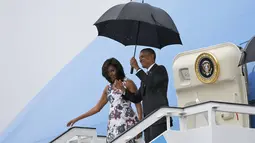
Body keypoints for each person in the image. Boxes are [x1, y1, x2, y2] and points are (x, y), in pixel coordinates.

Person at [66, 58, 143, 143]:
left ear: (118, 69)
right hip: (113, 126)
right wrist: (77, 119)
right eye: (108, 72)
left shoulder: (128, 83)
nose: (110, 74)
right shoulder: (108, 88)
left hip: (128, 124)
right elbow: (97, 108)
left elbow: (138, 104)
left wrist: (139, 126)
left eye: (112, 70)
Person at [115, 48, 172, 143]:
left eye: (142, 57)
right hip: (148, 122)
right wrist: (123, 89)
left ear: (151, 57)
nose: (140, 60)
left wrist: (137, 68)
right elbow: (136, 98)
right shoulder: (145, 77)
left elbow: (151, 82)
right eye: (139, 57)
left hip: (159, 120)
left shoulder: (160, 69)